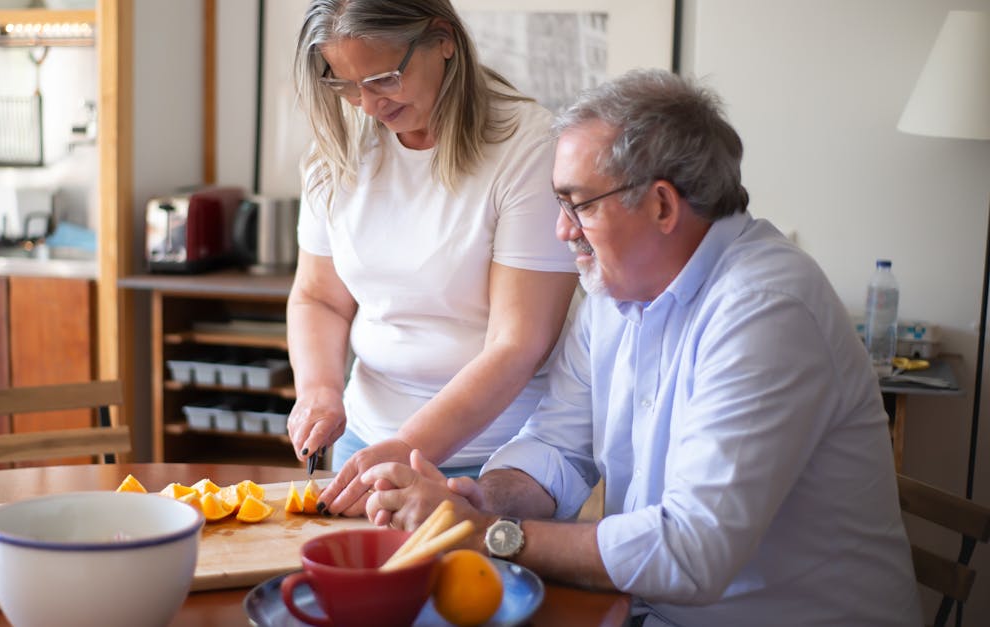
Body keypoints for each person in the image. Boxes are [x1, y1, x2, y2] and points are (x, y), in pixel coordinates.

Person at [362, 69, 922, 626]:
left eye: (577, 204)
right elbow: (557, 447)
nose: (562, 230)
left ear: (662, 206)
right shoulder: (610, 295)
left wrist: (493, 535)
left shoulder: (766, 309)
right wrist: (483, 501)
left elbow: (691, 551)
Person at [286, 0, 578, 517]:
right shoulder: (340, 147)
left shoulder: (528, 149)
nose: (368, 105)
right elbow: (318, 297)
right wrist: (319, 389)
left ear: (443, 40)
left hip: (496, 458)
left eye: (382, 78)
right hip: (367, 440)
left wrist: (408, 449)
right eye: (346, 85)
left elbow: (518, 343)